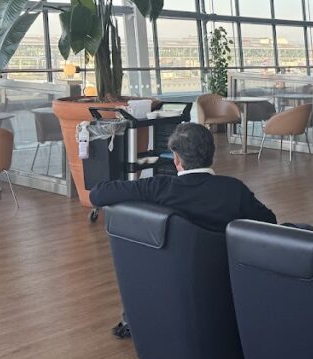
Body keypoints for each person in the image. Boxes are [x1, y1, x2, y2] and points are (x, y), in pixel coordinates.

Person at [89, 123, 276, 339]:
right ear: (211, 154)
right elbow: (269, 222)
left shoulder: (159, 188)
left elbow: (98, 194)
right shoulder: (234, 189)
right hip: (224, 284)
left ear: (177, 159)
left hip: (172, 281)